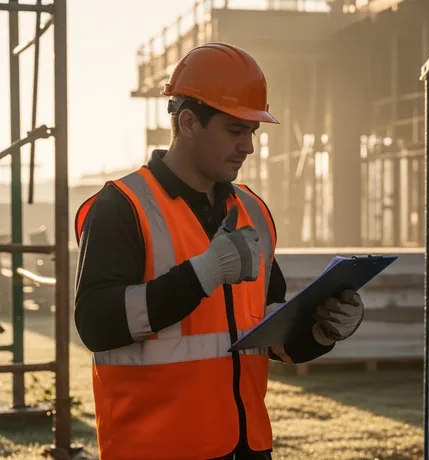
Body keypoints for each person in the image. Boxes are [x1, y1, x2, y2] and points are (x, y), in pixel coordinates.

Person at [73, 42, 365, 460]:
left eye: (252, 132)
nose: (248, 146)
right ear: (188, 123)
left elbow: (269, 332)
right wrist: (203, 274)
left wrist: (322, 330)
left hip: (247, 448)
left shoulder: (252, 211)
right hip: (155, 450)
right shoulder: (122, 207)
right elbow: (96, 324)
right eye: (235, 129)